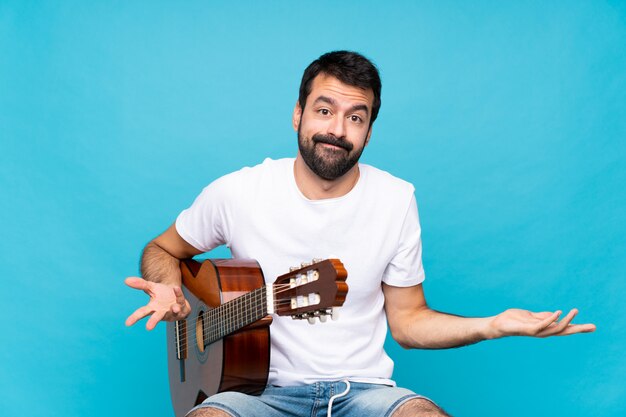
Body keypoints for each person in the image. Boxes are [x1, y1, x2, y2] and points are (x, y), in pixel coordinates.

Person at [125, 51, 596, 417]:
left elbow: (408, 323)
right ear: (297, 114)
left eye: (355, 117)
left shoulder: (395, 199)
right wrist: (169, 289)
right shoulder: (237, 191)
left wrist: (493, 325)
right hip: (254, 395)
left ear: (369, 132)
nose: (337, 129)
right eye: (324, 110)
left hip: (363, 392)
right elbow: (162, 247)